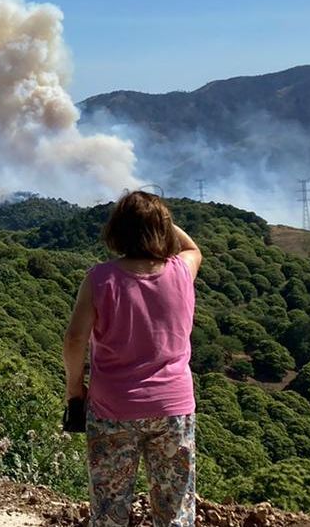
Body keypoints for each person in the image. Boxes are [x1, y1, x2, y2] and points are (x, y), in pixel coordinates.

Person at [63, 191, 202, 527]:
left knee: (110, 508)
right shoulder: (181, 271)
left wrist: (74, 392)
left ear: (117, 231)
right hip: (173, 408)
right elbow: (193, 249)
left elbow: (75, 340)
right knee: (175, 512)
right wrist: (161, 222)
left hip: (113, 409)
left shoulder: (100, 279)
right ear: (162, 229)